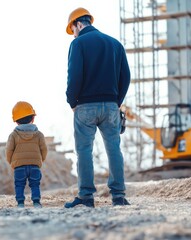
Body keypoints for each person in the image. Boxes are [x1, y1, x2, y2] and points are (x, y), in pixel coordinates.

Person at [64, 7, 131, 208]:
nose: (73, 33)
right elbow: (125, 77)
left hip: (85, 106)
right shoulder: (115, 44)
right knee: (114, 150)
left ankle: (86, 197)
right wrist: (116, 101)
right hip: (111, 105)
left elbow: (74, 75)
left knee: (84, 150)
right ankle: (118, 196)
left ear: (78, 24)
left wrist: (72, 101)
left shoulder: (78, 44)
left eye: (72, 29)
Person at [5, 101, 48, 208]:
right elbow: (44, 149)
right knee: (35, 184)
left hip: (19, 166)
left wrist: (11, 162)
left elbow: (9, 150)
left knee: (19, 184)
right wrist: (40, 160)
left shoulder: (13, 135)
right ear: (33, 118)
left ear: (16, 122)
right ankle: (36, 202)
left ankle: (20, 203)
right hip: (34, 165)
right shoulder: (39, 134)